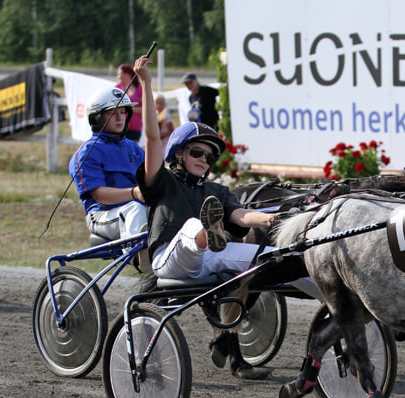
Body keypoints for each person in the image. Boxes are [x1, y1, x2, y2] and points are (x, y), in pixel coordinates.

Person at [134, 56, 316, 379]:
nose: (204, 160)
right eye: (196, 153)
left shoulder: (216, 190)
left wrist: (270, 221)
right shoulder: (162, 181)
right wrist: (146, 84)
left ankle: (337, 294)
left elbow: (241, 215)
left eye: (209, 156)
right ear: (178, 154)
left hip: (212, 258)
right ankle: (207, 231)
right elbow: (151, 139)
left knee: (280, 257)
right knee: (194, 228)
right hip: (170, 259)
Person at [68, 86, 147, 243]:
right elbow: (99, 195)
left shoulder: (134, 149)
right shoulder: (88, 152)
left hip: (137, 211)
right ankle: (138, 254)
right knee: (134, 209)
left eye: (123, 112)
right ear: (97, 118)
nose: (120, 118)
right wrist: (135, 193)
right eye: (112, 113)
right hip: (102, 215)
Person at [116, 63, 143, 142]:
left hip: (135, 127)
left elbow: (144, 108)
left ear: (127, 74)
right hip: (120, 125)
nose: (118, 77)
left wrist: (128, 108)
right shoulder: (117, 88)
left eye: (120, 74)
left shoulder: (139, 88)